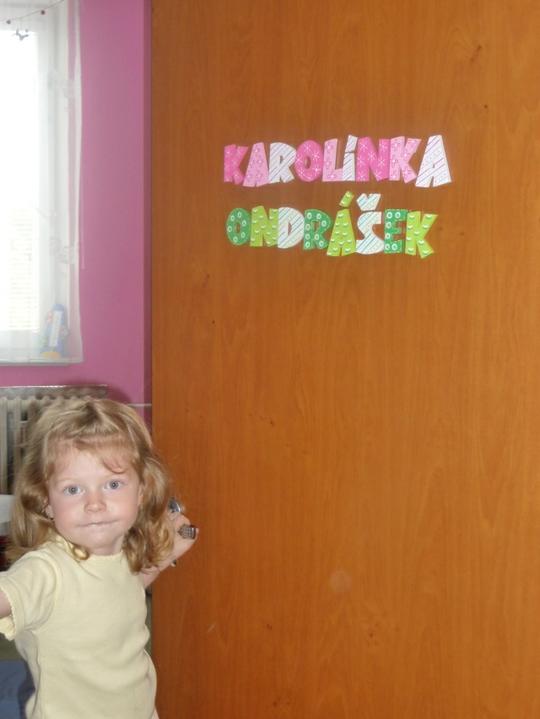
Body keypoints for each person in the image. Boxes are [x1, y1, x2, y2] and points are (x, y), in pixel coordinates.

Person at [0, 397, 197, 719]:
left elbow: (121, 592)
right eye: (73, 490)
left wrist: (163, 558)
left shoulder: (119, 552)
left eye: (113, 484)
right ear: (46, 501)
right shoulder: (47, 571)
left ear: (142, 491)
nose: (95, 504)